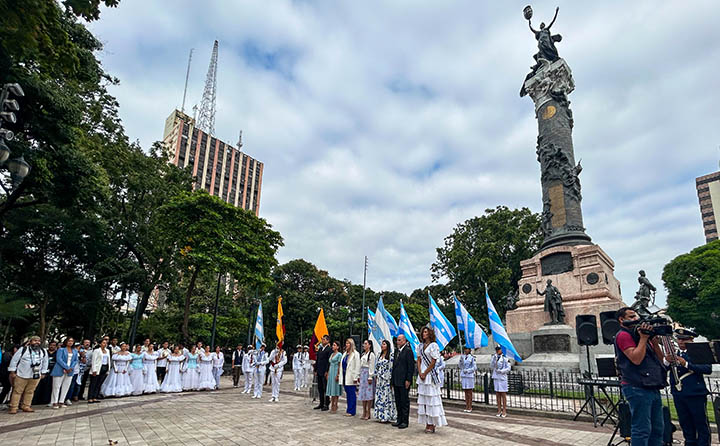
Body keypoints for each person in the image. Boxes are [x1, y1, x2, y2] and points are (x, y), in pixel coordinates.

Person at [614, 307, 667, 446]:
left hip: (652, 385)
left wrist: (654, 342)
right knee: (642, 429)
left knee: (658, 429)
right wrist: (643, 339)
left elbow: (661, 360)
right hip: (636, 386)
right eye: (631, 317)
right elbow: (636, 359)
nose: (636, 319)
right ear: (621, 319)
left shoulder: (640, 334)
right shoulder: (623, 335)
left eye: (636, 316)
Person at [666, 328, 711, 446]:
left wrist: (685, 363)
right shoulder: (674, 353)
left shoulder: (698, 351)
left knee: (700, 423)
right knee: (685, 422)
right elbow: (664, 369)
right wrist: (666, 361)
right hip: (679, 393)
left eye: (684, 339)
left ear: (691, 340)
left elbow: (707, 369)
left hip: (695, 392)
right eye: (679, 339)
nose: (681, 342)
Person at [7, 336, 49, 414]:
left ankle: (26, 406)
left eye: (38, 341)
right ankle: (14, 407)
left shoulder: (43, 351)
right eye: (35, 340)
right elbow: (14, 360)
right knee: (17, 391)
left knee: (30, 391)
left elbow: (45, 362)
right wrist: (12, 371)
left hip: (35, 375)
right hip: (22, 374)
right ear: (30, 341)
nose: (37, 342)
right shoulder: (23, 349)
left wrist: (43, 372)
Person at [416, 327, 447, 433]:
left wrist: (425, 372)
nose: (424, 334)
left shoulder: (434, 346)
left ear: (430, 334)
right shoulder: (420, 346)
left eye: (426, 332)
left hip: (430, 375)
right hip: (422, 375)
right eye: (423, 332)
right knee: (424, 400)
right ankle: (427, 422)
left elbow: (433, 361)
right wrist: (420, 372)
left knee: (432, 400)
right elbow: (419, 360)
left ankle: (432, 423)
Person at [392, 334, 414, 429]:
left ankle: (405, 421)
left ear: (404, 341)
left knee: (404, 401)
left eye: (400, 340)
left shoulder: (408, 351)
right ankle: (399, 419)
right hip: (396, 379)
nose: (398, 342)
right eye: (397, 340)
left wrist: (408, 379)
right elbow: (394, 367)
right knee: (398, 400)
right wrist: (392, 380)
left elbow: (410, 367)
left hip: (404, 380)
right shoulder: (397, 351)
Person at [50, 337, 78, 409]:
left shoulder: (75, 350)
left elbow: (75, 360)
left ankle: (61, 401)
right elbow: (59, 359)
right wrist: (66, 367)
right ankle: (54, 402)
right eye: (69, 341)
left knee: (66, 386)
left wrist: (70, 368)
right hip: (60, 369)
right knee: (56, 386)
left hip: (70, 371)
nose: (70, 342)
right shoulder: (61, 349)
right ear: (66, 342)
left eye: (72, 341)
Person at [373, 339, 396, 423]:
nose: (382, 346)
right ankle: (380, 414)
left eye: (384, 344)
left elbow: (391, 368)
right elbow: (376, 366)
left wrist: (389, 379)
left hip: (386, 380)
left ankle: (387, 415)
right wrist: (375, 375)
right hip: (379, 380)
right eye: (382, 344)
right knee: (379, 397)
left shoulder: (391, 356)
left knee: (386, 397)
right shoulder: (379, 355)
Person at [33, 340, 56, 406]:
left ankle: (45, 400)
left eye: (54, 345)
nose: (52, 346)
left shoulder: (57, 353)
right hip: (42, 371)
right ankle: (35, 400)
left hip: (51, 372)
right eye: (51, 345)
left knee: (48, 387)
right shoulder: (44, 352)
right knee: (38, 386)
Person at [87, 338, 110, 403]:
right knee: (93, 383)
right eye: (103, 343)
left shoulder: (107, 351)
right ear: (100, 344)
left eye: (106, 343)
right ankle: (90, 397)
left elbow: (108, 360)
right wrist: (94, 369)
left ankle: (95, 396)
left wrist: (108, 369)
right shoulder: (97, 351)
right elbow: (94, 360)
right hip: (97, 368)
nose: (105, 344)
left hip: (104, 367)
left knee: (99, 383)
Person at [491, 346, 511, 417]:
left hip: (502, 378)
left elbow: (508, 368)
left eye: (498, 350)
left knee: (503, 394)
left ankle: (504, 410)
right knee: (497, 394)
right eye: (496, 350)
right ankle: (499, 409)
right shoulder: (495, 357)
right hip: (496, 377)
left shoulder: (505, 358)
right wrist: (493, 359)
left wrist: (501, 371)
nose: (497, 351)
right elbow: (492, 366)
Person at [358, 339, 376, 420]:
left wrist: (370, 376)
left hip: (367, 373)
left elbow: (372, 366)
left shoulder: (371, 355)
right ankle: (364, 411)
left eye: (366, 344)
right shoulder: (363, 354)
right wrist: (358, 375)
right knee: (363, 393)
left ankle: (368, 411)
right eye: (364, 344)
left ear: (369, 345)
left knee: (368, 394)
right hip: (362, 374)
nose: (364, 345)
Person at [314, 335, 331, 411]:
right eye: (322, 339)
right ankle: (321, 403)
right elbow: (318, 360)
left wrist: (327, 371)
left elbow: (328, 361)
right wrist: (315, 369)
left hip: (325, 371)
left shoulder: (329, 349)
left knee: (325, 388)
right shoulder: (320, 349)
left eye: (324, 339)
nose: (322, 341)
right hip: (319, 370)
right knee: (320, 388)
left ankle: (326, 404)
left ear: (327, 341)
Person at [326, 340, 343, 413]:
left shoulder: (339, 354)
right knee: (331, 389)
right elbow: (330, 364)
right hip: (331, 371)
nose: (333, 346)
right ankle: (332, 403)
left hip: (336, 371)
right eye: (333, 345)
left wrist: (338, 374)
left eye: (334, 345)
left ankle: (335, 404)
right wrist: (328, 373)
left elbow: (339, 365)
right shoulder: (332, 354)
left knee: (335, 389)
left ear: (338, 347)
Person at [458, 347, 476, 413]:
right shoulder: (463, 357)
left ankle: (470, 406)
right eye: (465, 349)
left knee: (469, 392)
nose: (465, 350)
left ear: (469, 350)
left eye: (467, 349)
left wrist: (468, 371)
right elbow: (460, 366)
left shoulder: (472, 358)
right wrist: (460, 361)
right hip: (464, 376)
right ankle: (466, 406)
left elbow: (474, 367)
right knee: (465, 392)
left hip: (469, 376)